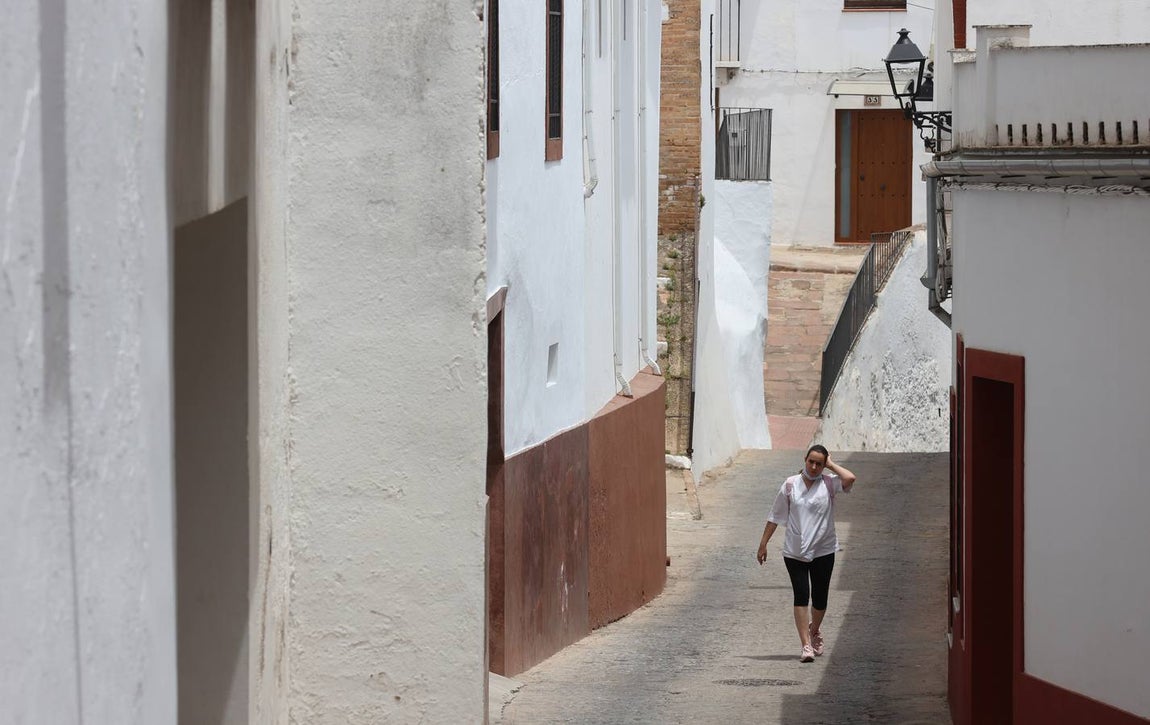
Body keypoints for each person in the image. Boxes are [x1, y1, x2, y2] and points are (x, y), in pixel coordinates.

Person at [756, 445, 857, 662]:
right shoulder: (791, 484)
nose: (813, 466)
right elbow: (775, 516)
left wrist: (831, 465)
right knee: (801, 595)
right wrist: (763, 543)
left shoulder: (829, 483)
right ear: (805, 459)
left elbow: (850, 478)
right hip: (795, 551)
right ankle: (806, 645)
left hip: (823, 550)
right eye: (811, 461)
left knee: (820, 598)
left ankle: (815, 629)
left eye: (819, 463)